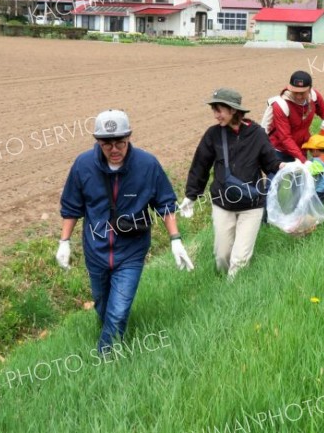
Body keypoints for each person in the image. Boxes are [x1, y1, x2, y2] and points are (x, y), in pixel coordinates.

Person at [55, 109, 194, 353]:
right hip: (95, 250)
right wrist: (64, 242)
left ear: (129, 137)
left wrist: (176, 240)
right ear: (98, 142)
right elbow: (71, 206)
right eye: (107, 144)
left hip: (131, 250)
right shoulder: (83, 165)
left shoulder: (147, 165)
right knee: (103, 304)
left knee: (118, 311)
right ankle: (108, 329)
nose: (115, 149)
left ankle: (104, 359)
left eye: (121, 142)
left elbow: (164, 203)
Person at [178, 88, 283, 279]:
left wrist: (286, 167)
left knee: (239, 260)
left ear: (233, 110)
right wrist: (191, 196)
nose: (216, 115)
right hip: (223, 204)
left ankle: (232, 296)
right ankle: (222, 285)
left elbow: (271, 163)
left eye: (219, 110)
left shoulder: (257, 134)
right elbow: (200, 165)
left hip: (252, 205)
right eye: (214, 110)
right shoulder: (213, 135)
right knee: (222, 256)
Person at [268, 70, 324, 164]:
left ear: (310, 89)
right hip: (279, 151)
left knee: (301, 178)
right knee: (275, 178)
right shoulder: (280, 105)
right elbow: (285, 137)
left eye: (302, 93)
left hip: (301, 147)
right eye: (295, 92)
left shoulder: (314, 97)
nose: (298, 96)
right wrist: (303, 161)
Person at [302, 134, 324, 203]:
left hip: (320, 190)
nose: (310, 153)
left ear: (315, 151)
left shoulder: (318, 160)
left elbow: (312, 171)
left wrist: (305, 166)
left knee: (317, 207)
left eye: (310, 151)